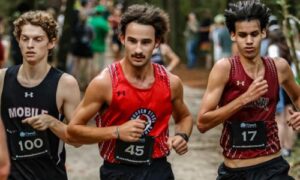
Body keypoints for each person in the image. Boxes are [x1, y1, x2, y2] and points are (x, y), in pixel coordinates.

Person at [67, 4, 193, 180]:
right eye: (132, 41)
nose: (138, 50)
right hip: (118, 171)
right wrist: (116, 131)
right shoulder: (104, 83)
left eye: (146, 42)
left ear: (157, 42)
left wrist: (182, 136)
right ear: (122, 39)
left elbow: (184, 117)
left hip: (158, 169)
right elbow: (73, 131)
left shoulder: (171, 82)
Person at [197, 1, 300, 179]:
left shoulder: (279, 67)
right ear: (233, 35)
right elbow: (203, 123)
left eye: (254, 34)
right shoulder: (225, 69)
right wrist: (245, 98)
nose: (249, 41)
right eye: (243, 35)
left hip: (272, 168)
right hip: (235, 171)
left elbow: (297, 96)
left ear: (263, 33)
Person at [0, 11, 81, 179]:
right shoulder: (2, 78)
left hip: (50, 175)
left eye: (38, 39)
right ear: (18, 41)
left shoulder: (65, 83)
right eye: (25, 39)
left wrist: (52, 122)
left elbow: (78, 140)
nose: (30, 45)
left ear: (51, 43)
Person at [267, 28, 296, 158]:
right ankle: (288, 148)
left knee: (279, 120)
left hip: (277, 85)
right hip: (289, 84)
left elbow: (273, 68)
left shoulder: (273, 48)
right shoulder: (288, 49)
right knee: (290, 118)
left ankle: (278, 150)